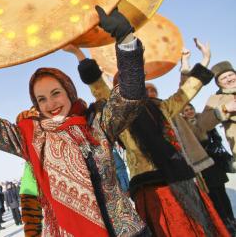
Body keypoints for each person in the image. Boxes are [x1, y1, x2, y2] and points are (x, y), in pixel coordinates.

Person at [0, 6, 149, 236]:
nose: (51, 103)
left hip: (127, 231)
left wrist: (125, 39)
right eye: (41, 99)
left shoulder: (97, 124)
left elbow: (130, 96)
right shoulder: (33, 137)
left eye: (56, 93)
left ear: (69, 92)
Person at [70, 36, 230, 236]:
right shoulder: (119, 115)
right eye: (126, 85)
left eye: (139, 84)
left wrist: (205, 60)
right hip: (150, 189)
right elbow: (99, 88)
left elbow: (186, 92)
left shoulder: (161, 107)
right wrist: (78, 54)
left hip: (180, 179)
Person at [182, 103, 236, 232]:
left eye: (191, 109)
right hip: (201, 166)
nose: (189, 112)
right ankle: (223, 223)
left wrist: (212, 145)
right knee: (212, 196)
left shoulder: (204, 119)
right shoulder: (184, 127)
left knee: (222, 193)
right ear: (182, 113)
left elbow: (217, 138)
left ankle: (231, 220)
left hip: (214, 162)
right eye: (186, 110)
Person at [205, 61, 236, 164]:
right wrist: (224, 109)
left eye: (231, 75)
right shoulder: (216, 99)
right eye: (223, 78)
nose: (229, 79)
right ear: (218, 83)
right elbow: (203, 123)